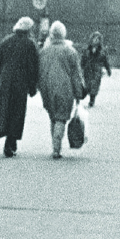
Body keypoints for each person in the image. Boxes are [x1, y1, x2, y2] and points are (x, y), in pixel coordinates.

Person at [0, 16, 40, 157]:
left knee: (6, 110)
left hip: (4, 81)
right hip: (20, 83)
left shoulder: (6, 41)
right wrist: (32, 87)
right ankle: (10, 142)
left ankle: (10, 141)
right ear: (29, 29)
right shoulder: (30, 44)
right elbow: (33, 68)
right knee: (17, 112)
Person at [38, 21, 85, 159]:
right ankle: (56, 148)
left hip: (46, 87)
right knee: (61, 117)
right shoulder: (70, 51)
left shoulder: (44, 51)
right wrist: (78, 94)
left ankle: (54, 145)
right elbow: (76, 75)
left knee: (53, 116)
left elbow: (39, 72)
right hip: (65, 88)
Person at [81, 31, 112, 107]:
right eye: (95, 38)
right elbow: (83, 60)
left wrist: (108, 70)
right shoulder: (87, 50)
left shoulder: (102, 51)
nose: (96, 40)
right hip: (87, 71)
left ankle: (92, 100)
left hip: (96, 71)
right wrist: (80, 68)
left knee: (94, 86)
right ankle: (84, 94)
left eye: (98, 39)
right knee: (88, 85)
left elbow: (106, 61)